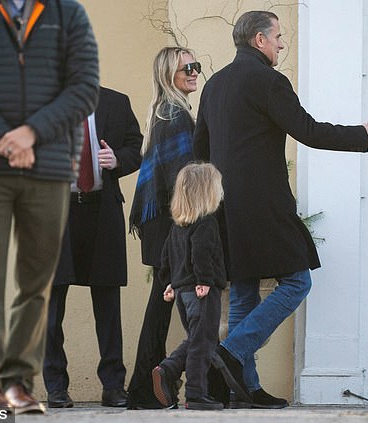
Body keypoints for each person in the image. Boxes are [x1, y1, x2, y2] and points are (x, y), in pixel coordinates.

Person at [193, 10, 368, 409]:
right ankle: (233, 351)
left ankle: (246, 390)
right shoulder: (269, 81)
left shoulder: (214, 85)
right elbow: (307, 130)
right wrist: (362, 136)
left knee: (245, 294)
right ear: (259, 40)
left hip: (223, 205)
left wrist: (208, 205)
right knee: (297, 281)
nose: (282, 44)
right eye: (278, 37)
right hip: (263, 204)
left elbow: (200, 150)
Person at [0, 0, 99, 414]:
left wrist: (30, 134)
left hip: (49, 165)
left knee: (37, 282)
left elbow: (83, 88)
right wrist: (3, 139)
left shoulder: (69, 13)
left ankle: (17, 382)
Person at [42, 87, 143, 408]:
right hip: (56, 212)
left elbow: (135, 147)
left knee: (108, 303)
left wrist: (117, 160)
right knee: (51, 304)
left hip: (103, 211)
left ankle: (113, 386)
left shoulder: (117, 101)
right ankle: (56, 387)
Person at [127, 47, 200, 409]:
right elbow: (182, 180)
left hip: (161, 222)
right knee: (170, 305)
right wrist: (191, 228)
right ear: (168, 75)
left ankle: (146, 386)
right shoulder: (175, 115)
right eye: (186, 67)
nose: (193, 72)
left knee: (163, 304)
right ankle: (148, 387)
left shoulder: (165, 112)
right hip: (170, 223)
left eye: (195, 66)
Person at [151, 162, 227, 411]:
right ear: (208, 193)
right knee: (203, 343)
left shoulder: (177, 227)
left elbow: (166, 258)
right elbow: (202, 253)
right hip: (201, 290)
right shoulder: (206, 223)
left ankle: (168, 369)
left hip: (183, 291)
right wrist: (205, 280)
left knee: (198, 338)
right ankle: (195, 393)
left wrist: (169, 283)